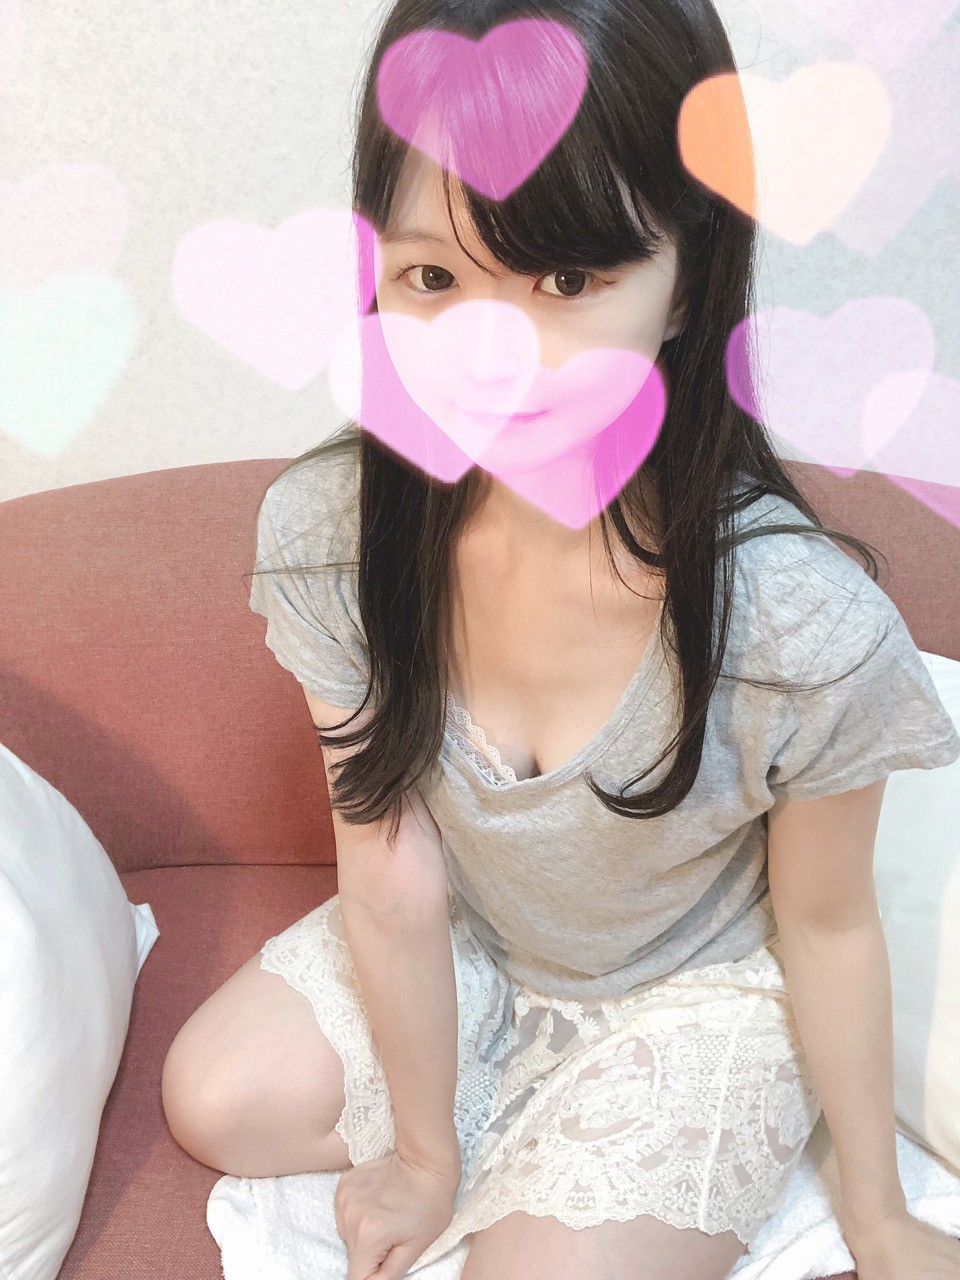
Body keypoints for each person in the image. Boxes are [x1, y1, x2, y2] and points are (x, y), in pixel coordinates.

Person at [162, 2, 960, 1279]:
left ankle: (601, 1158)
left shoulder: (796, 622)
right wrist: (427, 1154)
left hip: (693, 992)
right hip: (476, 946)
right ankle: (520, 1141)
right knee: (215, 1095)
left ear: (689, 272)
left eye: (567, 280)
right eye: (434, 280)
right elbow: (391, 873)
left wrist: (878, 1215)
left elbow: (827, 923)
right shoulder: (333, 536)